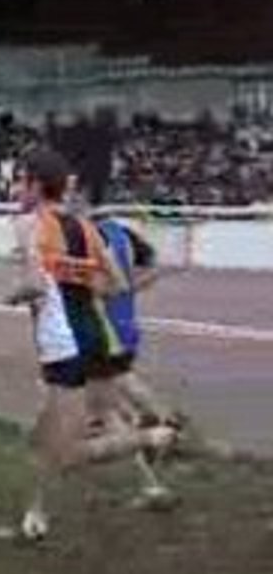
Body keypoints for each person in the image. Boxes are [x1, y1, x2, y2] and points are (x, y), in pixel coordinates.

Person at [5, 148, 177, 541]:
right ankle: (36, 515)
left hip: (63, 346)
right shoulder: (86, 228)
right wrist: (76, 281)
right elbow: (114, 285)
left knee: (62, 449)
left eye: (20, 181)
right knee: (56, 432)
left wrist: (14, 296)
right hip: (96, 336)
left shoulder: (29, 225)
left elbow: (33, 284)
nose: (16, 189)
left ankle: (152, 436)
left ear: (34, 184)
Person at [88, 209, 183, 506]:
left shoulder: (88, 236)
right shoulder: (120, 232)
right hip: (125, 325)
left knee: (107, 404)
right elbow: (153, 266)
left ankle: (151, 476)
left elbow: (96, 285)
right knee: (123, 381)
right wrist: (130, 289)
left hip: (102, 328)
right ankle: (166, 424)